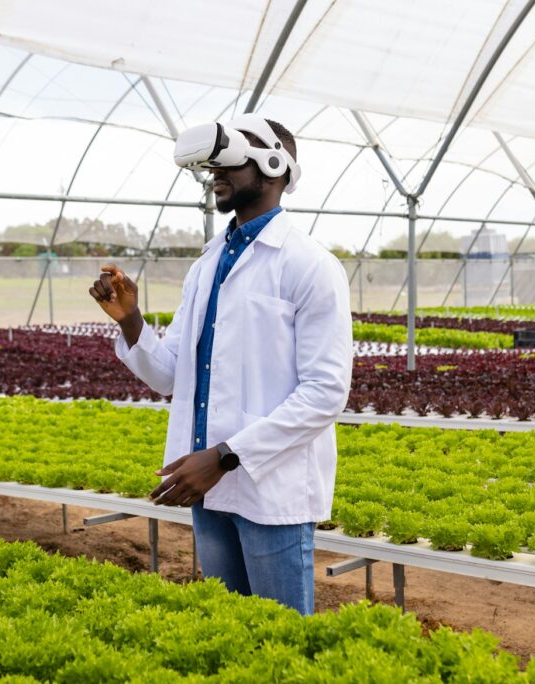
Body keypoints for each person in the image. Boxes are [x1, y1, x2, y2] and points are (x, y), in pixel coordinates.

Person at [88, 115, 352, 615]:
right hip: (205, 486)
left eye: (232, 158)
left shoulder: (310, 265)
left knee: (280, 641)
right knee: (228, 633)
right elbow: (171, 376)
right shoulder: (207, 263)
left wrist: (227, 456)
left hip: (268, 489)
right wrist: (131, 322)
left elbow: (325, 393)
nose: (215, 172)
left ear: (275, 167)